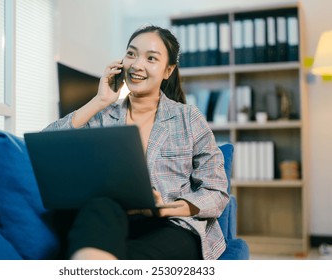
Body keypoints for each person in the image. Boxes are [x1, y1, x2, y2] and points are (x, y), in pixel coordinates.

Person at [43, 25, 229, 260]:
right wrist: (99, 101)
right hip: (111, 217)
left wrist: (167, 208)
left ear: (168, 70)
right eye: (131, 54)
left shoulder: (188, 118)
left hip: (171, 224)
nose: (137, 65)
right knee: (99, 207)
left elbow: (216, 192)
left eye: (151, 58)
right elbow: (49, 144)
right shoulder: (102, 115)